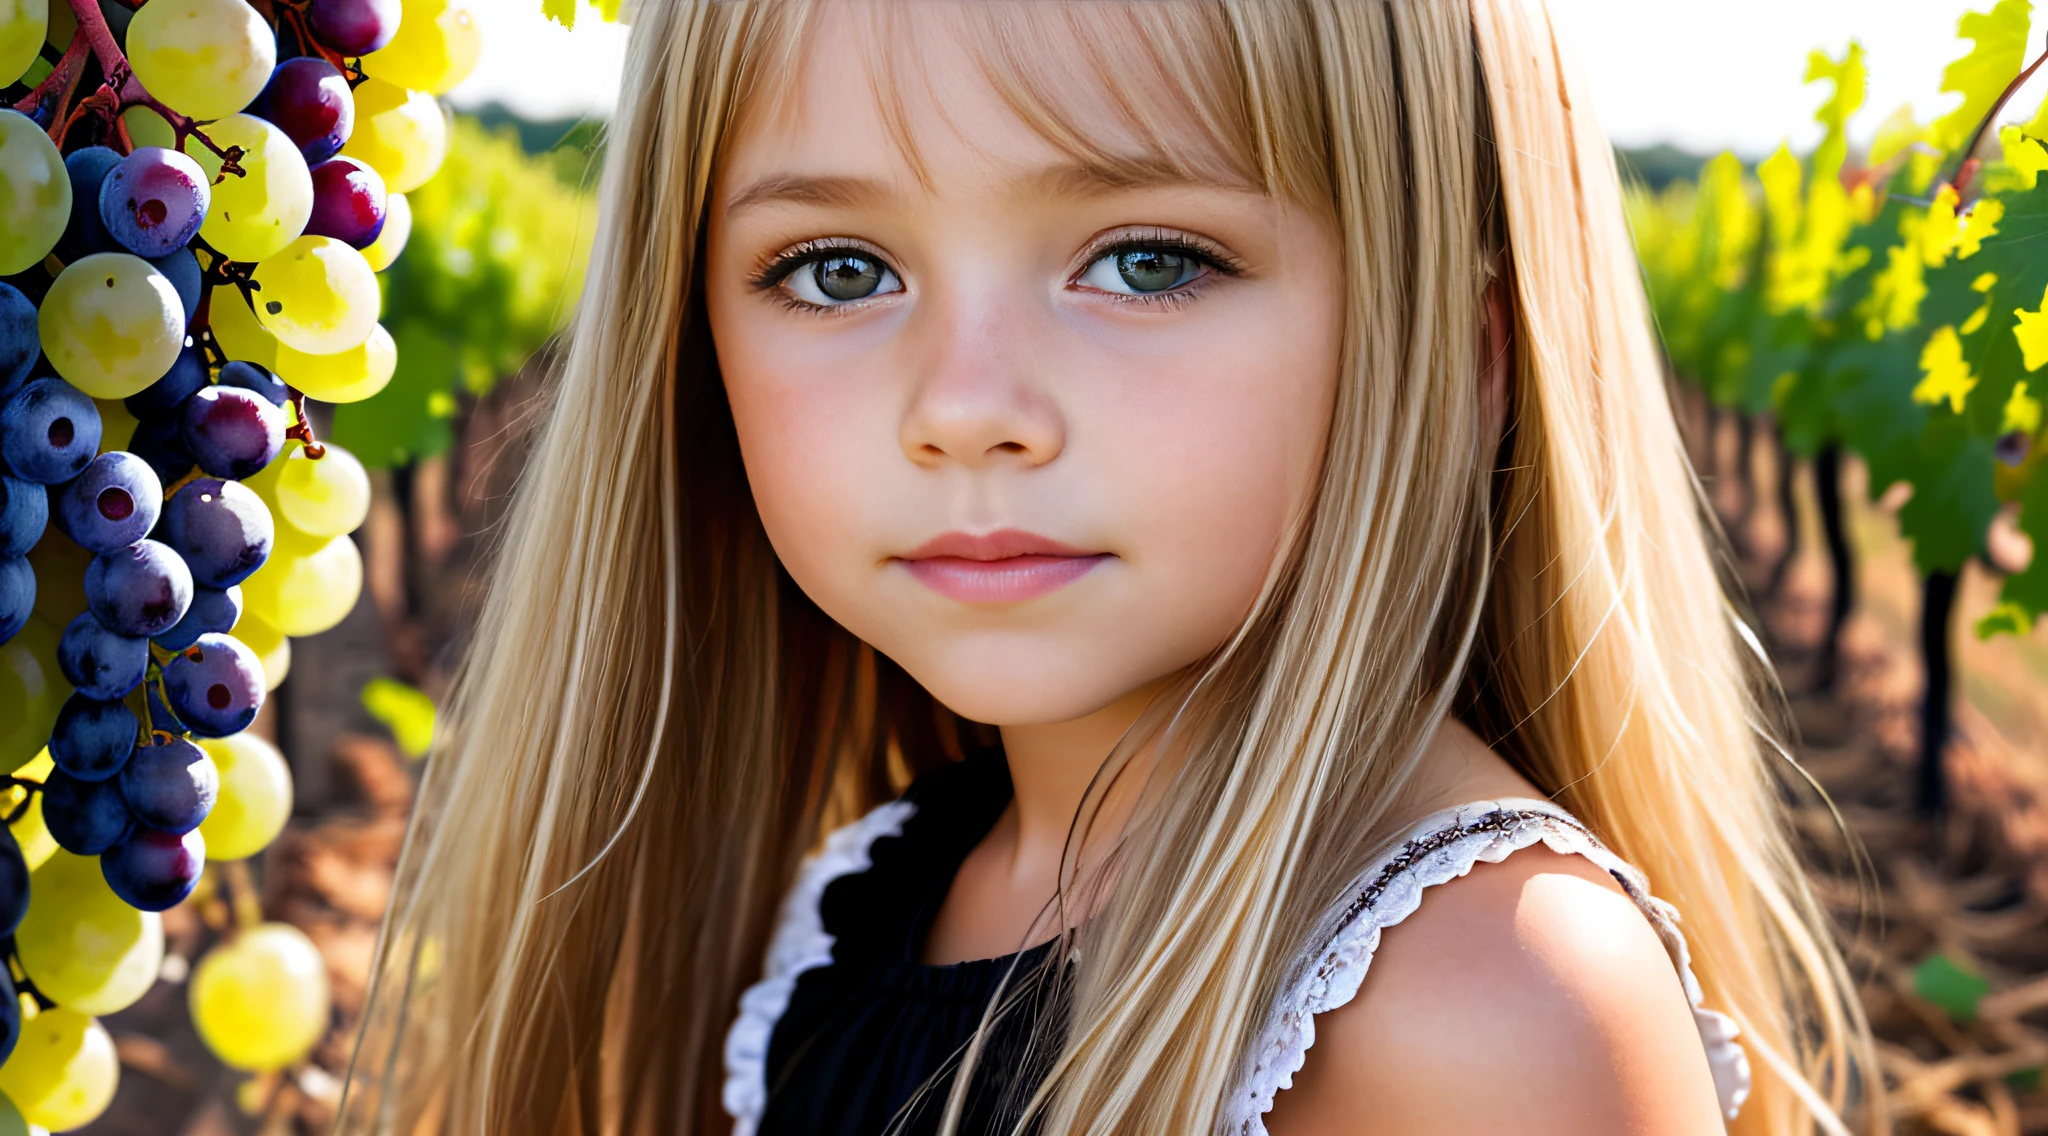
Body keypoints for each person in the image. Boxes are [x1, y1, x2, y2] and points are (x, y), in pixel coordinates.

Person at [337, 2, 1883, 1133]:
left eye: (1148, 259)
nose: (965, 408)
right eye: (837, 270)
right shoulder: (873, 900)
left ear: (1461, 356)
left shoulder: (1488, 1013)